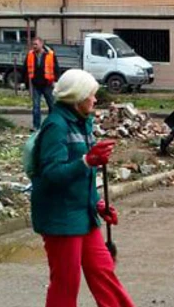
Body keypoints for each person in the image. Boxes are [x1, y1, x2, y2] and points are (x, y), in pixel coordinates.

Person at [29, 69, 135, 307]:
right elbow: (51, 174)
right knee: (66, 283)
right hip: (61, 219)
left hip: (83, 214)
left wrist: (97, 204)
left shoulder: (82, 122)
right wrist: (86, 161)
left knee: (104, 272)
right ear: (77, 98)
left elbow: (84, 175)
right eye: (91, 95)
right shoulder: (56, 126)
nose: (95, 100)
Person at [24, 37, 61, 129]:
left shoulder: (50, 54)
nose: (34, 46)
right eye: (33, 44)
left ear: (41, 44)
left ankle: (52, 124)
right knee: (36, 107)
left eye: (36, 44)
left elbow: (56, 68)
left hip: (47, 84)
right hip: (36, 84)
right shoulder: (30, 54)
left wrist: (56, 81)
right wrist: (25, 83)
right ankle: (36, 126)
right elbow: (25, 69)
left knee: (52, 106)